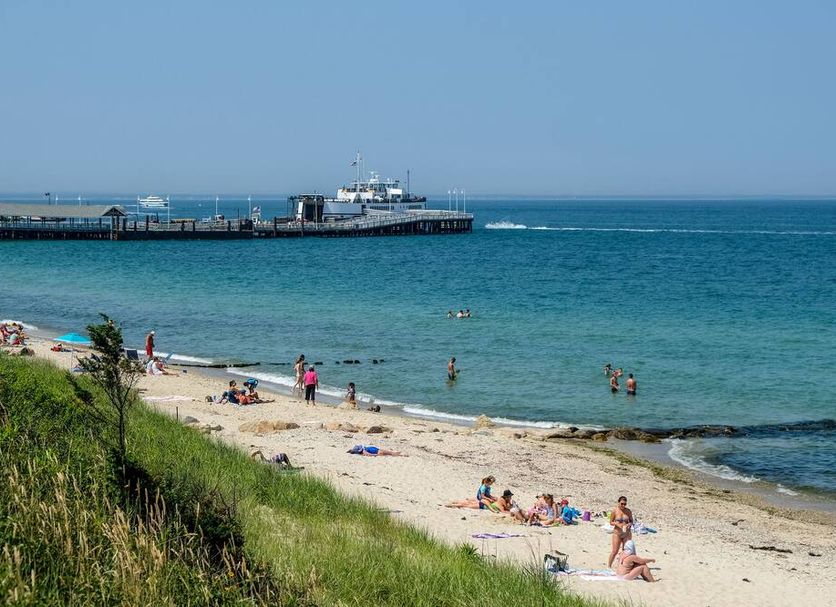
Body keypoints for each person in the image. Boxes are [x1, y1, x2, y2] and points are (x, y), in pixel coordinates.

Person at [608, 496, 634, 568]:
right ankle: (609, 566)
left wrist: (629, 524)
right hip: (617, 533)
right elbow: (611, 522)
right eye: (622, 503)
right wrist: (616, 523)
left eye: (625, 504)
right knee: (614, 551)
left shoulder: (628, 511)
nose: (623, 505)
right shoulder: (615, 511)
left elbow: (631, 521)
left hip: (627, 533)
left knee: (626, 551)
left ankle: (622, 566)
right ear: (618, 502)